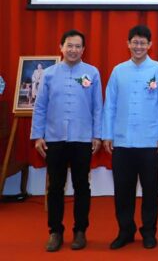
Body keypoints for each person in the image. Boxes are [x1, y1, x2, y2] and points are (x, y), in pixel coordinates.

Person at [31, 29, 103, 252]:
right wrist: (37, 136)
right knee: (55, 187)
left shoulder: (92, 73)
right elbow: (40, 106)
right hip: (55, 138)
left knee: (82, 186)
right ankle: (55, 231)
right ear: (61, 47)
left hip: (82, 138)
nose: (73, 50)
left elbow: (97, 107)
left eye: (77, 46)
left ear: (83, 49)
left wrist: (97, 135)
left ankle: (80, 231)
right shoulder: (49, 74)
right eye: (69, 45)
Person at [102, 25, 158, 250]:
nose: (139, 46)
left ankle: (149, 232)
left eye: (143, 42)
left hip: (150, 141)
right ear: (128, 44)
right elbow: (109, 105)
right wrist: (107, 135)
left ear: (150, 45)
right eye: (135, 42)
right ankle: (125, 231)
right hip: (122, 142)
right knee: (123, 190)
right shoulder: (118, 71)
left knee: (150, 190)